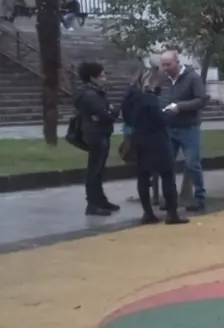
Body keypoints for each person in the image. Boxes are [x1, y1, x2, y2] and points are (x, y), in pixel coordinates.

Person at [122, 70, 188, 224]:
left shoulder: (130, 97)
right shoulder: (148, 99)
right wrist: (171, 112)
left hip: (138, 139)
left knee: (143, 176)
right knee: (167, 175)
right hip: (156, 141)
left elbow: (127, 116)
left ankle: (148, 213)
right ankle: (172, 214)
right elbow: (160, 120)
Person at [159, 50, 209, 212]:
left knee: (192, 163)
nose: (166, 68)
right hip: (169, 127)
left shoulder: (192, 77)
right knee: (166, 164)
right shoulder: (164, 79)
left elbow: (201, 100)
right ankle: (170, 199)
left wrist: (179, 107)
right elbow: (161, 97)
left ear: (177, 62)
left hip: (188, 127)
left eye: (169, 64)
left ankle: (199, 198)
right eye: (163, 65)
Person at [74, 62, 121, 216]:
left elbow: (107, 111)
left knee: (99, 170)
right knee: (94, 170)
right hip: (95, 135)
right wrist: (110, 112)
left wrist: (109, 112)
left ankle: (100, 200)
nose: (104, 78)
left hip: (100, 132)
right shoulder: (89, 94)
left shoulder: (96, 92)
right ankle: (93, 204)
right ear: (92, 77)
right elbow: (106, 114)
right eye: (101, 75)